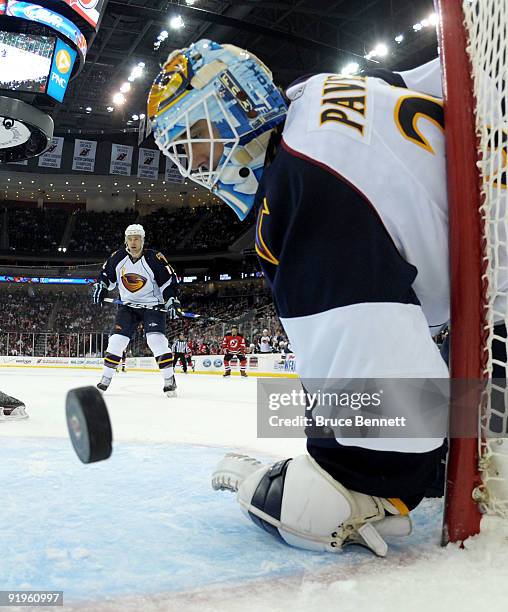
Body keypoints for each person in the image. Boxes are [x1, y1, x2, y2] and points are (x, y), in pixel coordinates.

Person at [148, 42, 448, 555]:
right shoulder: (327, 91)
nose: (194, 164)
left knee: (324, 497)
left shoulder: (300, 187)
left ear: (238, 103)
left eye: (196, 137)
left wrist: (311, 483)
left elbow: (401, 420)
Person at [92, 224, 183, 397]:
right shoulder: (117, 257)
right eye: (130, 238)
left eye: (137, 238)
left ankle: (169, 380)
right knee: (116, 341)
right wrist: (102, 286)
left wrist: (171, 300)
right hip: (128, 306)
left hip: (153, 306)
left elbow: (168, 281)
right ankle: (105, 378)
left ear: (143, 240)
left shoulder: (154, 258)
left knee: (156, 341)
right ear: (125, 240)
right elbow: (105, 276)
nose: (133, 242)